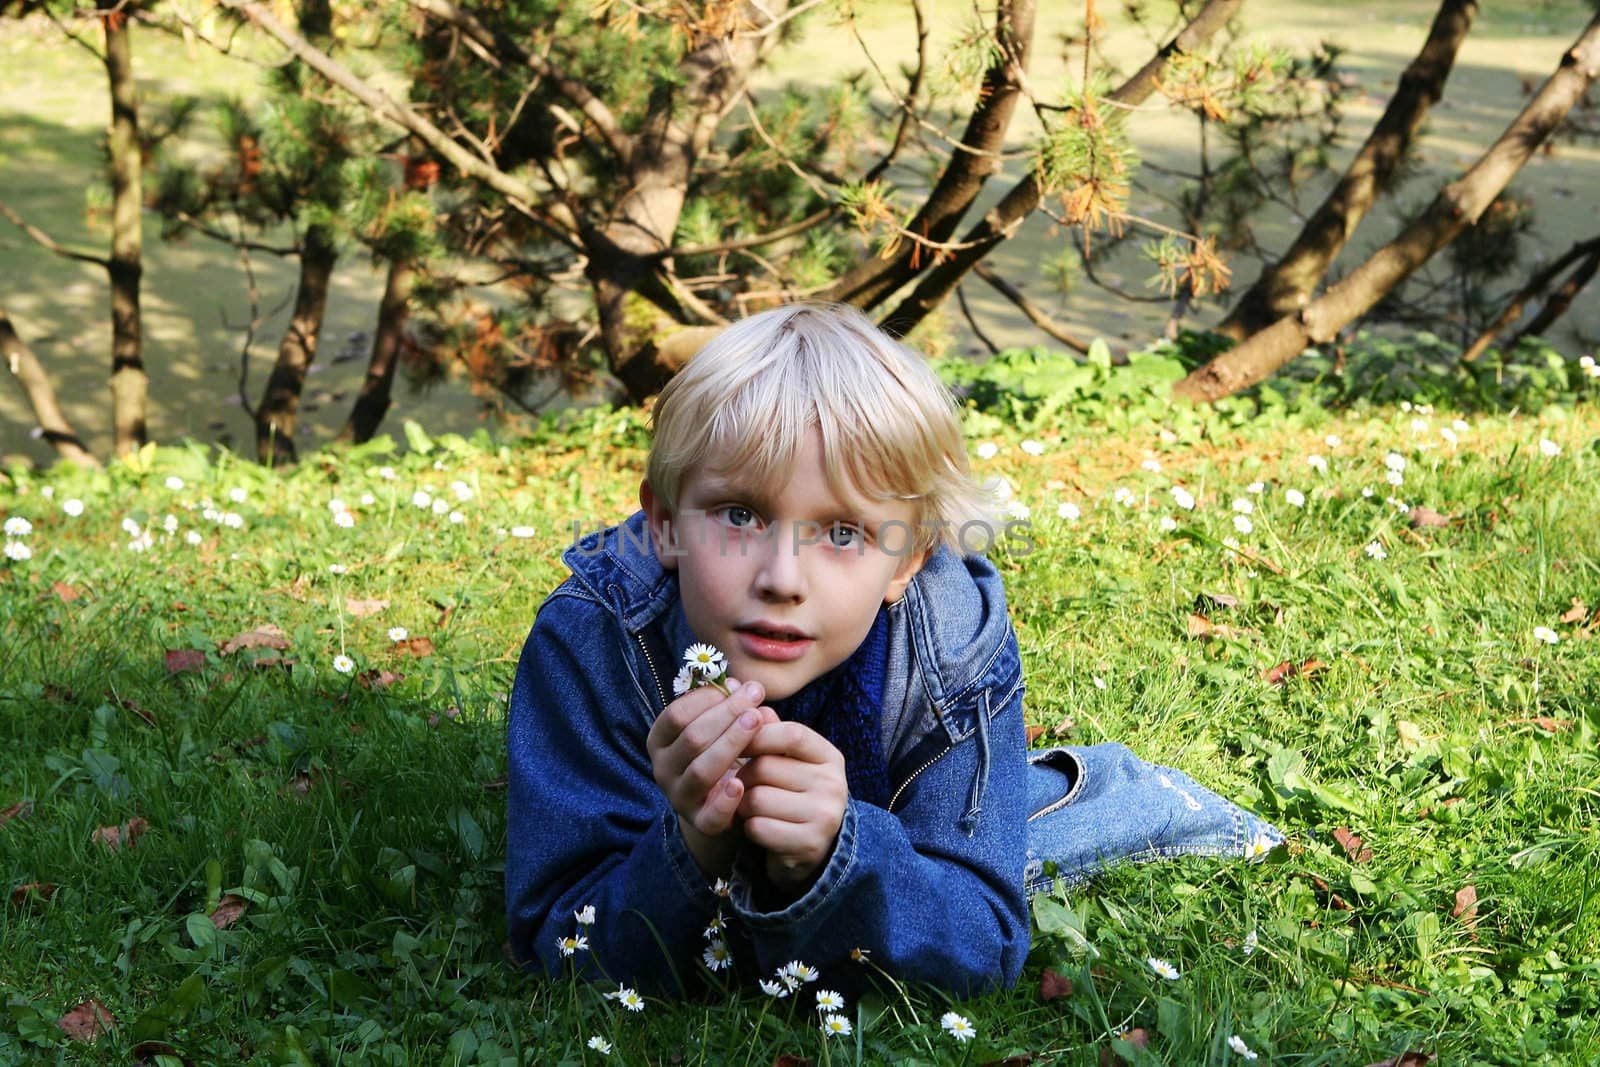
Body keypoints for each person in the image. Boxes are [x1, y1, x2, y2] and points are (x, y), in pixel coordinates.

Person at [505, 303, 1282, 997]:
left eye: (843, 532)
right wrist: (694, 840)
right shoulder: (597, 638)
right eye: (739, 515)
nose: (782, 578)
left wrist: (834, 854)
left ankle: (1095, 789)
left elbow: (984, 937)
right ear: (665, 522)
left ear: (909, 557)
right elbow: (554, 934)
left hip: (880, 822)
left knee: (1041, 837)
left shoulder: (951, 640)